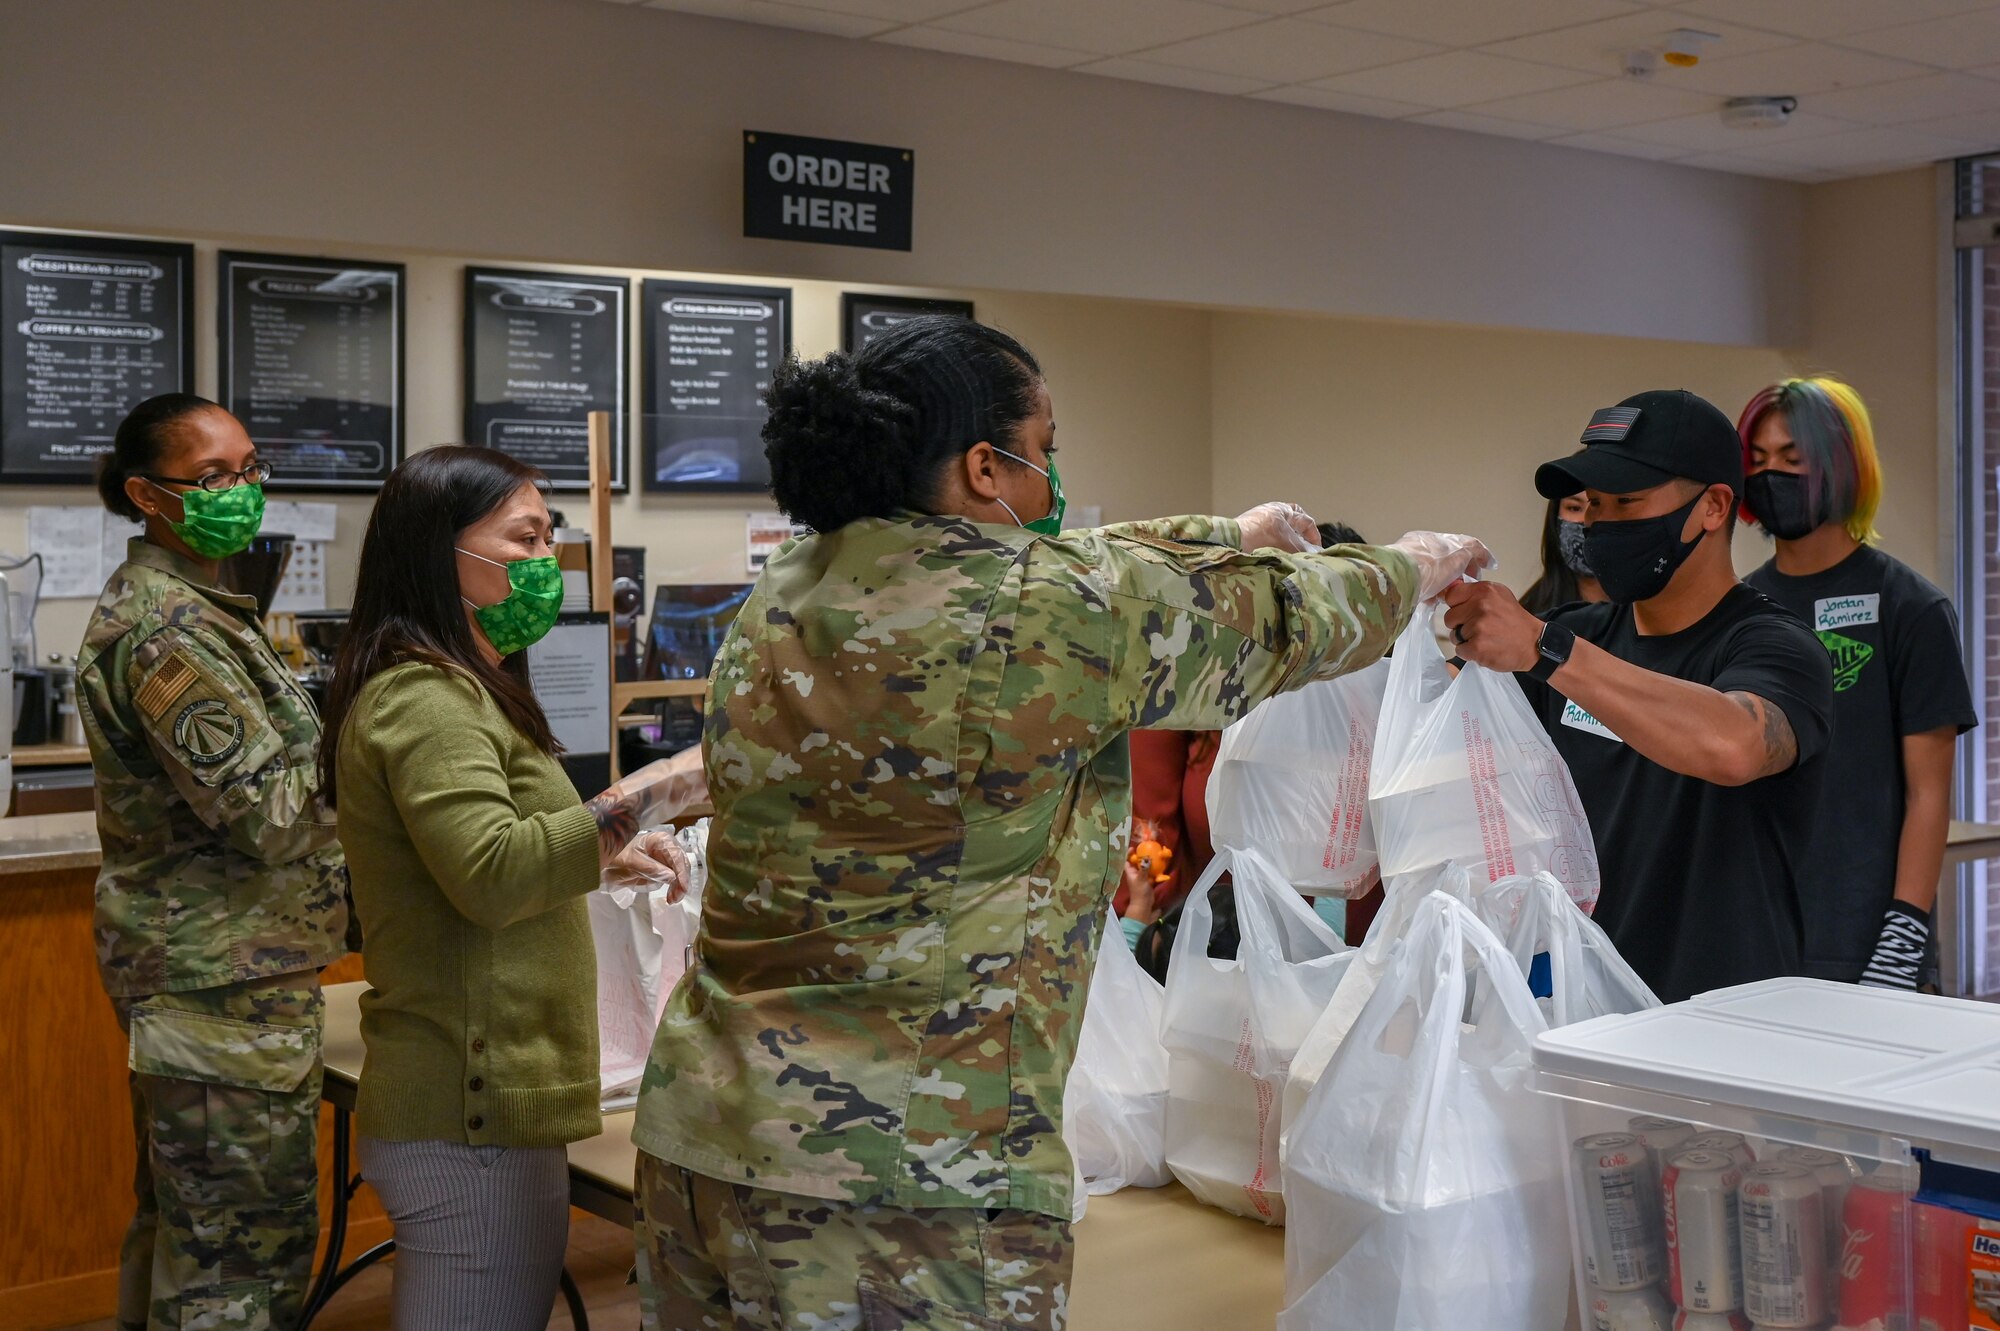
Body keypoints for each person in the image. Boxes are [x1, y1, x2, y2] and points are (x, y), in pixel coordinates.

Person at [626, 315, 1489, 1330]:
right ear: (986, 467)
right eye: (1045, 447)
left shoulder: (790, 584)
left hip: (704, 1136)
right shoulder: (1051, 606)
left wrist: (1225, 533)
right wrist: (1412, 565)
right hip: (908, 1177)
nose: (1053, 473)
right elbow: (1284, 618)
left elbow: (1073, 570)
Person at [321, 446, 703, 1331]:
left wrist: (602, 852)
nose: (545, 560)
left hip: (492, 1103)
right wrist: (665, 786)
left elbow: (483, 855)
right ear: (438, 552)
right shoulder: (423, 696)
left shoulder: (471, 687)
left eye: (550, 536)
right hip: (466, 1106)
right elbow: (492, 873)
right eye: (522, 537)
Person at [76, 393, 345, 1331]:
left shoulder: (202, 608)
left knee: (191, 1237)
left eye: (251, 467)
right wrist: (375, 739)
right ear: (148, 495)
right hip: (217, 984)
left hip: (226, 977)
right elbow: (272, 814)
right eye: (214, 477)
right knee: (239, 1262)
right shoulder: (168, 633)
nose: (243, 490)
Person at [1444, 389, 1835, 1003]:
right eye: (1593, 504)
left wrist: (1548, 650)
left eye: (1626, 501)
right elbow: (1439, 734)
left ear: (1712, 507)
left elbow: (1734, 745)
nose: (1600, 523)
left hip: (1723, 1018)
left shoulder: (1777, 648)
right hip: (1582, 1011)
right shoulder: (1582, 634)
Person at [1739, 377, 1976, 989]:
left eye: (1794, 460)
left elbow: (1929, 795)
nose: (1773, 477)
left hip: (1869, 939)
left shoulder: (1911, 608)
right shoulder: (1741, 609)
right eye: (1759, 461)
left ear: (1842, 468)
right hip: (1761, 936)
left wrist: (1900, 942)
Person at [1520, 492, 1607, 615]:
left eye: (1596, 505)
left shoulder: (1639, 615)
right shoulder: (1528, 616)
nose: (1587, 520)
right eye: (1575, 508)